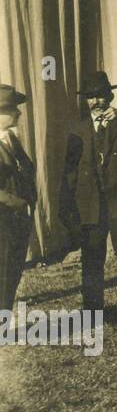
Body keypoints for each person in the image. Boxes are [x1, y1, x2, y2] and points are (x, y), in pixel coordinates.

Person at [61, 71, 117, 320]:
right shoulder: (76, 130)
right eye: (91, 97)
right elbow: (69, 173)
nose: (96, 102)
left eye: (100, 96)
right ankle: (92, 313)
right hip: (91, 206)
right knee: (92, 261)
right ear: (85, 101)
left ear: (110, 96)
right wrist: (68, 206)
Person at [0, 84, 36, 313]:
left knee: (11, 275)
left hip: (17, 221)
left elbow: (27, 171)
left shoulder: (11, 140)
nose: (19, 113)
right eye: (12, 109)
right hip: (3, 220)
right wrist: (18, 202)